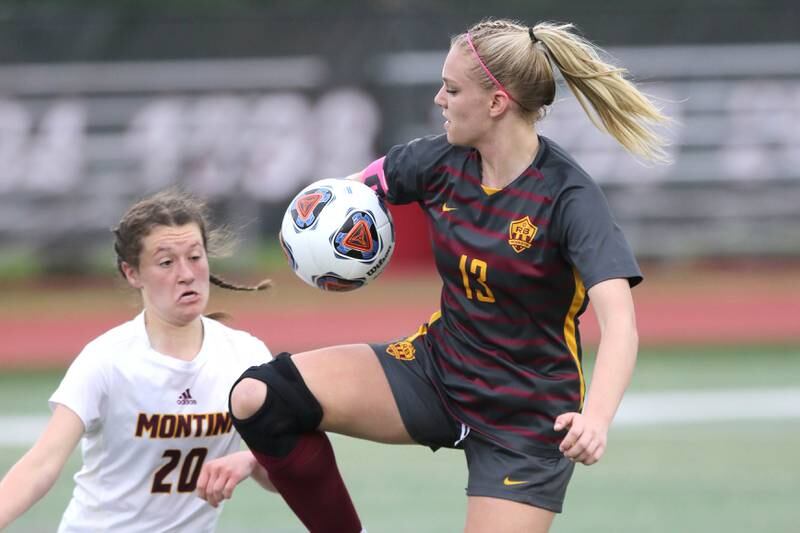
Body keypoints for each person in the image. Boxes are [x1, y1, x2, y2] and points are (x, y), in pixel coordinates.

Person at [228, 19, 669, 533]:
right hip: (436, 371)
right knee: (261, 398)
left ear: (497, 103)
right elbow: (352, 192)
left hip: (525, 421)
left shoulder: (569, 197)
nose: (439, 98)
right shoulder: (439, 160)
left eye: (452, 88)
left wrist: (595, 418)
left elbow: (621, 324)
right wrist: (316, 225)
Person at [0, 189, 279, 532]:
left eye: (195, 256)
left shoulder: (246, 357)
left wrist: (252, 460)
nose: (186, 274)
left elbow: (279, 473)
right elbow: (41, 466)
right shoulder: (106, 360)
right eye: (166, 262)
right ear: (132, 274)